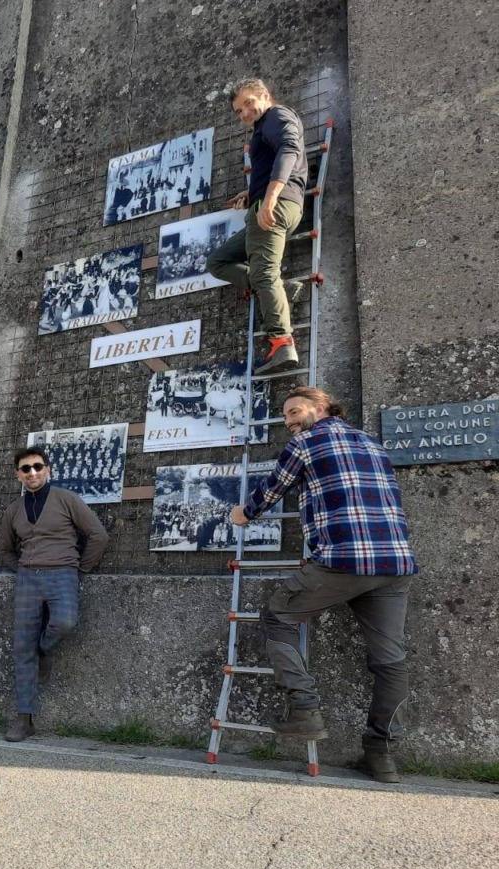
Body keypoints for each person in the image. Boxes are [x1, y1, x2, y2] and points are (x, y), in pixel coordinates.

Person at [231, 387, 418, 783]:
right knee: (390, 660)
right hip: (394, 563)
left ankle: (304, 709)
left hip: (342, 561)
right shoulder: (372, 442)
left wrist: (243, 514)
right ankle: (381, 755)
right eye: (285, 416)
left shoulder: (307, 442)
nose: (289, 421)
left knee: (277, 616)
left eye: (294, 411)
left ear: (321, 407)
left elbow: (273, 490)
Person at [0, 446, 110, 743]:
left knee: (65, 622)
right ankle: (24, 719)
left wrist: (79, 568)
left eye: (37, 466)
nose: (32, 472)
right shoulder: (14, 510)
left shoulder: (66, 499)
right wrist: (21, 569)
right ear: (18, 475)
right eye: (25, 469)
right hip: (27, 579)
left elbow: (98, 535)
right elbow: (5, 549)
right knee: (22, 648)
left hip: (62, 573)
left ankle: (44, 650)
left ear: (47, 469)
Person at [206, 78, 309, 374]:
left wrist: (269, 199)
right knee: (218, 261)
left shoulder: (277, 116)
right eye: (239, 111)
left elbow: (289, 150)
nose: (245, 113)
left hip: (274, 205)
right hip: (264, 203)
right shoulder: (263, 127)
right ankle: (278, 290)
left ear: (264, 95)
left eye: (248, 103)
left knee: (264, 272)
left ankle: (281, 342)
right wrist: (251, 194)